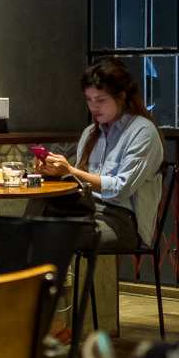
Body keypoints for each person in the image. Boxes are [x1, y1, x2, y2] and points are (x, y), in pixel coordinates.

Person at [36, 58, 164, 252]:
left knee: (52, 237)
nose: (94, 107)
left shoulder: (142, 131)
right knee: (29, 227)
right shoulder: (90, 133)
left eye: (101, 100)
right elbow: (81, 185)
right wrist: (54, 173)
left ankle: (46, 282)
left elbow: (121, 188)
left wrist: (70, 170)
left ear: (121, 96)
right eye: (89, 99)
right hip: (87, 212)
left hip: (124, 222)